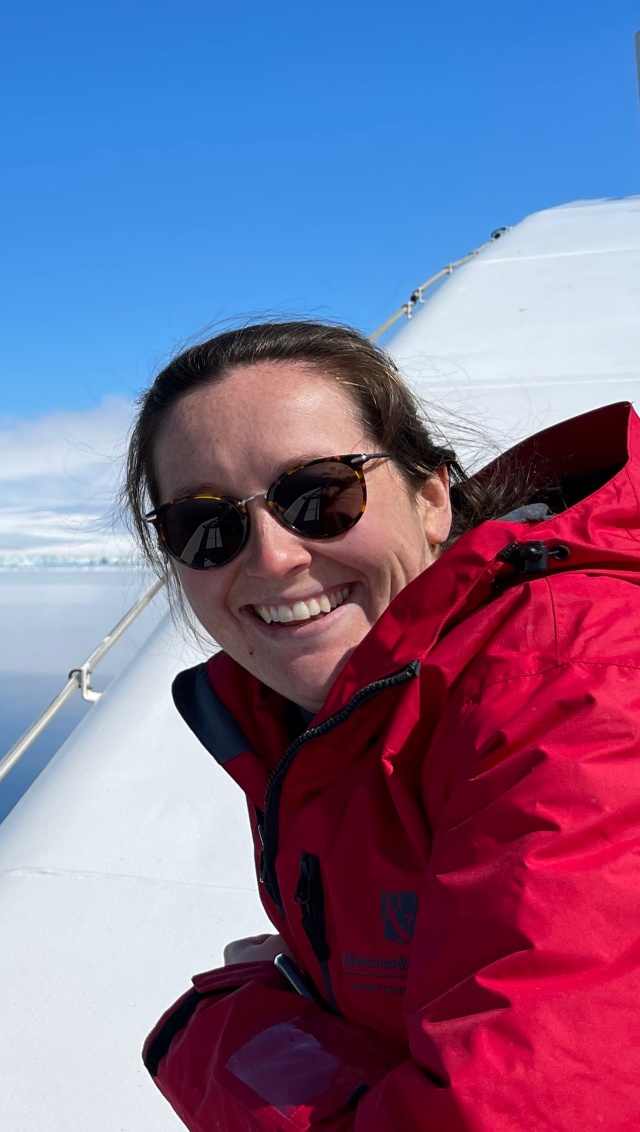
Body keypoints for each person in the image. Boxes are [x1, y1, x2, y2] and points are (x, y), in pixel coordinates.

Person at [126, 320, 640, 1130]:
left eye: (319, 494)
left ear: (432, 497)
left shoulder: (571, 684)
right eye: (204, 526)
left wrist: (225, 1044)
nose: (272, 557)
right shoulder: (337, 716)